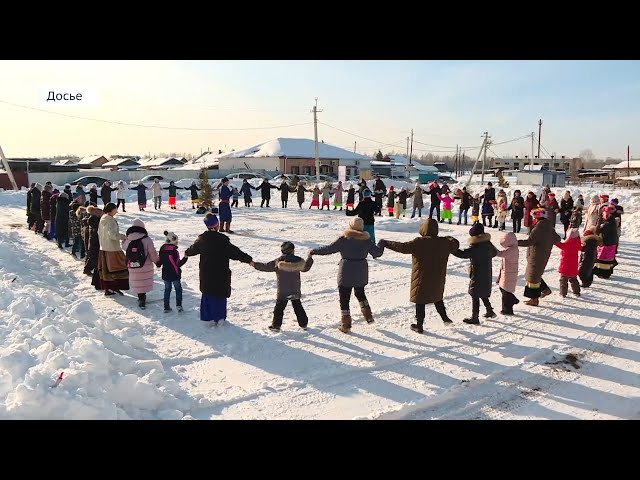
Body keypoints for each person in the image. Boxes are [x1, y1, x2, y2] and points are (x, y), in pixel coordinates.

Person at [377, 219, 458, 333]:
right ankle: (445, 319)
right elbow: (455, 244)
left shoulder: (419, 242)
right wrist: (448, 237)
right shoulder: (444, 243)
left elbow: (402, 247)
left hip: (421, 277)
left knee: (420, 300)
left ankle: (419, 325)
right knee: (437, 297)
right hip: (437, 277)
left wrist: (386, 243)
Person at [309, 217, 383, 333]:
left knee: (344, 297)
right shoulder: (366, 240)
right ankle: (368, 316)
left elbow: (329, 249)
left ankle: (346, 324)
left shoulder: (345, 239)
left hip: (346, 270)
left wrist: (314, 251)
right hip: (361, 270)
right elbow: (377, 253)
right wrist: (381, 243)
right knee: (360, 293)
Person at [184, 213, 253, 326]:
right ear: (216, 225)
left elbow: (191, 250)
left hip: (207, 273)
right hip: (221, 273)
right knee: (219, 295)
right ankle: (219, 318)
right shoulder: (223, 240)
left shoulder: (202, 240)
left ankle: (207, 318)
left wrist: (186, 253)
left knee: (207, 294)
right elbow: (235, 252)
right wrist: (248, 259)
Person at [252, 241, 314, 332]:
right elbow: (306, 268)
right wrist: (310, 258)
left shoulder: (278, 261)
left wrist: (254, 264)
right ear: (292, 250)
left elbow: (266, 266)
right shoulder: (299, 260)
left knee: (279, 309)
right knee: (298, 306)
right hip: (295, 288)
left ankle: (276, 325)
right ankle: (303, 323)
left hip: (282, 291)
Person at [452, 223, 498, 324]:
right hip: (486, 272)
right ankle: (490, 310)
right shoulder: (487, 244)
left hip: (477, 273)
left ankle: (475, 317)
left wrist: (451, 249)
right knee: (483, 292)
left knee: (474, 293)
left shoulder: (476, 247)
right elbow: (494, 253)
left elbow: (463, 254)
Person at [517, 208, 560, 306]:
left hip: (536, 255)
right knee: (535, 274)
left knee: (532, 277)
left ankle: (534, 299)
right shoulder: (548, 226)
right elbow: (557, 238)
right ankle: (545, 290)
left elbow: (529, 242)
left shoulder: (539, 228)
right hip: (544, 254)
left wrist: (515, 242)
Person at [122, 219, 160, 309]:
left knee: (137, 281)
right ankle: (143, 297)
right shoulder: (147, 239)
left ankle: (140, 297)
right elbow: (152, 252)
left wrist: (123, 241)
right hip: (145, 265)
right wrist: (157, 261)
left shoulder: (129, 238)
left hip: (132, 265)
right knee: (143, 281)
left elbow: (124, 247)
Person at [96, 203, 129, 296]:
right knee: (119, 268)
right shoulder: (110, 220)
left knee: (106, 270)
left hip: (103, 247)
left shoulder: (103, 218)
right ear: (111, 209)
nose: (116, 211)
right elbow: (113, 235)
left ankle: (108, 288)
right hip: (112, 249)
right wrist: (123, 237)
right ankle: (115, 287)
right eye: (115, 209)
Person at [156, 230, 188, 313]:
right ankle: (179, 305)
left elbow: (160, 262)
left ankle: (166, 307)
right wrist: (185, 258)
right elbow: (178, 264)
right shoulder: (174, 252)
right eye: (176, 242)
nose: (177, 244)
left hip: (166, 273)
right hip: (175, 274)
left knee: (167, 289)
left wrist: (158, 263)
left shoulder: (162, 250)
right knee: (178, 289)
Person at [495, 232, 519, 315]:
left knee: (506, 291)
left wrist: (492, 248)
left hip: (509, 273)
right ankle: (512, 300)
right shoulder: (513, 248)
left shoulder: (511, 250)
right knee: (503, 289)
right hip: (507, 272)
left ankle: (507, 310)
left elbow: (500, 254)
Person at [553, 227, 582, 298]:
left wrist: (553, 239)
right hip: (573, 265)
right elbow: (582, 247)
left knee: (563, 280)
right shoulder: (578, 244)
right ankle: (577, 292)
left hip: (565, 265)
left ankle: (563, 293)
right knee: (573, 279)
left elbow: (559, 244)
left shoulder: (567, 244)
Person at [593, 205, 618, 279]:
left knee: (604, 258)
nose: (605, 215)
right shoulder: (609, 221)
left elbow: (598, 230)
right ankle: (600, 272)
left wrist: (599, 222)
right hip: (606, 242)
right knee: (602, 258)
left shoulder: (610, 222)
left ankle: (604, 273)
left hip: (608, 243)